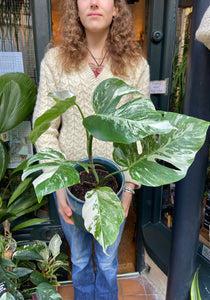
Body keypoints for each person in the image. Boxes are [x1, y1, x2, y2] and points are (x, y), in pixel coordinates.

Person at [32, 0, 150, 299]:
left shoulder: (136, 66)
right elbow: (45, 128)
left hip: (115, 187)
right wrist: (57, 187)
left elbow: (140, 132)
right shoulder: (55, 62)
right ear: (75, 9)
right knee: (81, 260)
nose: (94, 2)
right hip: (70, 186)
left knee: (109, 263)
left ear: (116, 10)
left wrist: (129, 190)